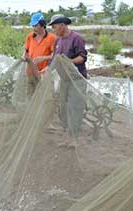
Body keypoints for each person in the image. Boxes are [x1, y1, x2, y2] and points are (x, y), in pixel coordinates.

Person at [49, 14, 88, 148]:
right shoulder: (58, 41)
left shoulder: (76, 39)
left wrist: (68, 62)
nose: (54, 30)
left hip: (77, 80)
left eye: (55, 27)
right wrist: (46, 71)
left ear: (62, 25)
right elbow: (54, 59)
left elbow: (82, 58)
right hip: (64, 80)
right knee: (63, 109)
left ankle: (74, 139)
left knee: (74, 108)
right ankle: (68, 135)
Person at [22, 12, 56, 96]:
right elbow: (26, 50)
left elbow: (55, 55)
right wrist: (24, 56)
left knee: (44, 96)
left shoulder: (52, 38)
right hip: (30, 72)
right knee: (30, 94)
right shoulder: (29, 37)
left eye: (36, 26)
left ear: (42, 24)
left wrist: (43, 58)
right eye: (33, 26)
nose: (34, 28)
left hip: (44, 73)